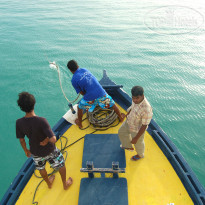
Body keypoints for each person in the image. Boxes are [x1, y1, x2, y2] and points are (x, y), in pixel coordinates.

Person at [16, 92, 73, 189]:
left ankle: (49, 184)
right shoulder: (42, 121)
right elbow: (53, 139)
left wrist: (26, 150)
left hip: (35, 152)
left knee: (41, 168)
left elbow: (22, 140)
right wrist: (47, 140)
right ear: (34, 104)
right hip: (49, 150)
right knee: (61, 164)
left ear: (21, 108)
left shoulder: (19, 122)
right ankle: (65, 184)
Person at [67, 60, 125, 128]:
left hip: (89, 97)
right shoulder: (84, 69)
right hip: (101, 92)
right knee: (112, 103)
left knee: (79, 107)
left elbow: (82, 92)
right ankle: (120, 117)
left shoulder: (73, 80)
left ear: (70, 70)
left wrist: (91, 98)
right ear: (78, 66)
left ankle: (80, 123)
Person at [118, 86, 153, 161]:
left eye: (137, 98)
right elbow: (132, 108)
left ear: (142, 96)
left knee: (138, 143)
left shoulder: (147, 109)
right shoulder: (135, 101)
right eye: (133, 98)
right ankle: (128, 146)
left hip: (137, 129)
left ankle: (140, 155)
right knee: (121, 132)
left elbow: (144, 126)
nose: (134, 100)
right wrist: (126, 115)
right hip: (129, 121)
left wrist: (136, 138)